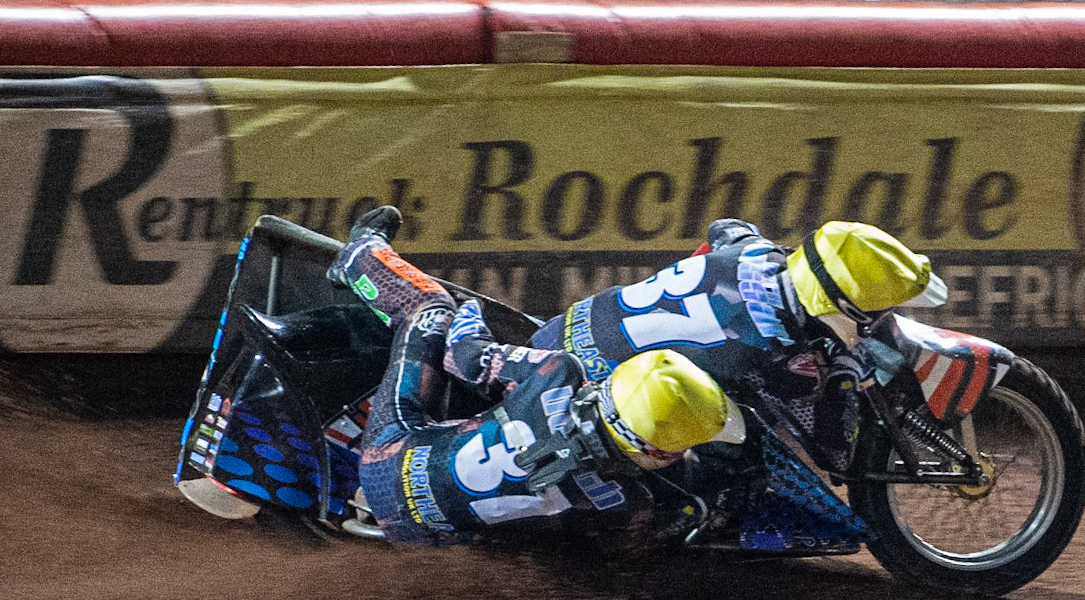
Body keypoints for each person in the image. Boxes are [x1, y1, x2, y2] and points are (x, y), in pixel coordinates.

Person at [327, 207, 747, 546]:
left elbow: (462, 358)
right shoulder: (629, 503)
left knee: (432, 306)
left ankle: (359, 255)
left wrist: (471, 313)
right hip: (427, 539)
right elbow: (608, 555)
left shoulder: (557, 373)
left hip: (388, 461)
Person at [529, 218, 948, 470]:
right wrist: (843, 374)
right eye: (880, 305)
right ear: (842, 304)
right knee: (746, 455)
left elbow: (724, 228)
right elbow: (834, 452)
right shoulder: (775, 350)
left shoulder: (755, 251)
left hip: (554, 335)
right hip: (579, 398)